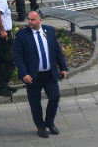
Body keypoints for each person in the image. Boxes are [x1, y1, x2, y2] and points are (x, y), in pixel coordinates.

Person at [13, 10, 66, 139]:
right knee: (35, 102)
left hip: (49, 74)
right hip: (32, 76)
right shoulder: (22, 35)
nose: (30, 22)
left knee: (55, 97)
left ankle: (49, 121)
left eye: (33, 20)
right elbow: (18, 57)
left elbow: (57, 50)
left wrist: (63, 68)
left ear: (40, 20)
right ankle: (41, 127)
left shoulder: (49, 31)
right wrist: (24, 74)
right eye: (29, 19)